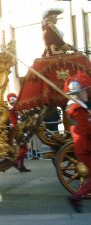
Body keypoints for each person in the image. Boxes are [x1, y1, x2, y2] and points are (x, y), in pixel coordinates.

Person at [64, 78, 91, 213]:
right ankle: (76, 198)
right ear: (78, 94)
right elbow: (86, 130)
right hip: (85, 146)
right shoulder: (78, 109)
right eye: (84, 91)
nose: (86, 93)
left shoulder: (77, 108)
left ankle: (76, 198)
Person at [7, 93, 31, 172]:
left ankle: (21, 165)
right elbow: (15, 122)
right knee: (22, 148)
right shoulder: (12, 109)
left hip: (20, 129)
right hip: (17, 130)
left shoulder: (17, 109)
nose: (14, 102)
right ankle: (15, 162)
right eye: (12, 101)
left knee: (23, 148)